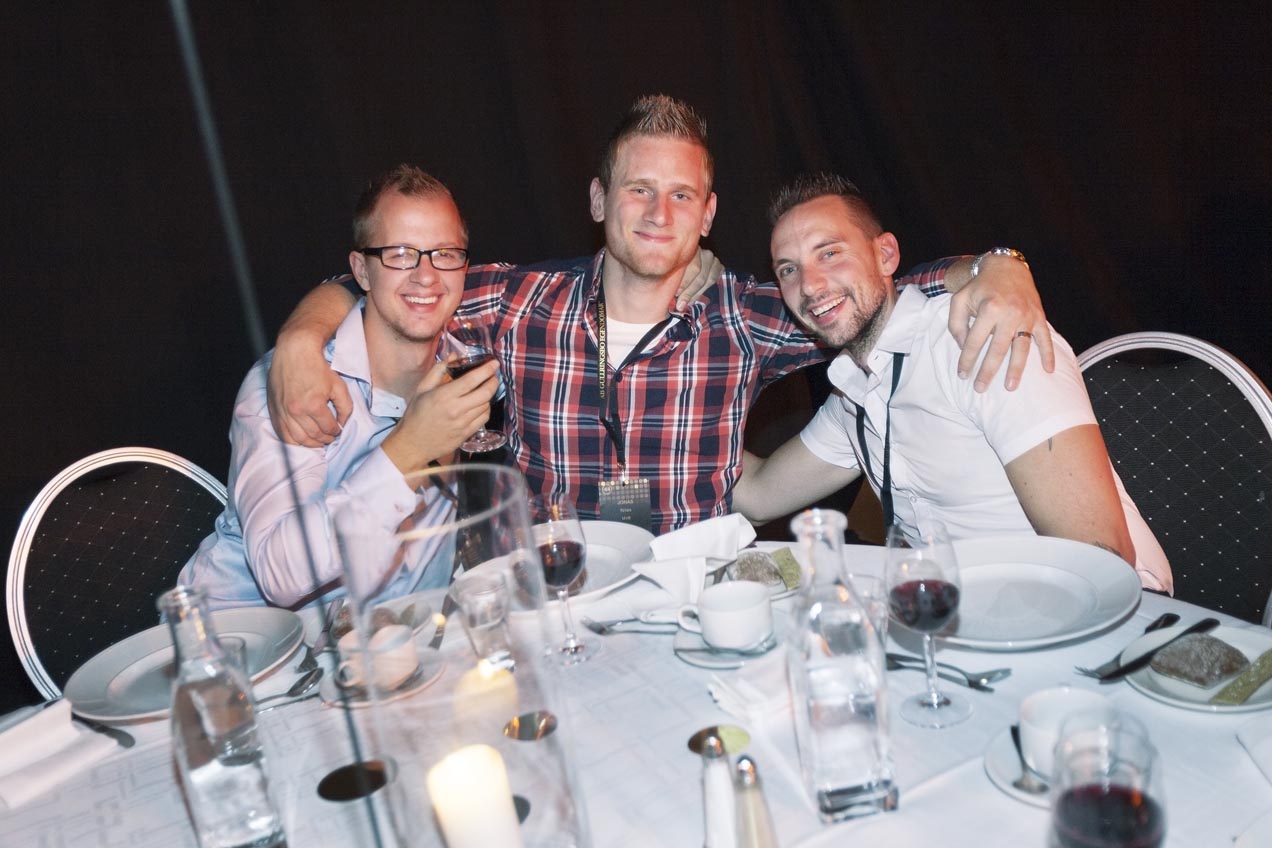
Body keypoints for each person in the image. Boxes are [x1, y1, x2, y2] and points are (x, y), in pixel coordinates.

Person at [267, 95, 1053, 536]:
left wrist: (996, 265)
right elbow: (386, 280)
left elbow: (880, 291)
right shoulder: (519, 302)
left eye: (681, 195)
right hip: (564, 594)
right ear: (599, 199)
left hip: (700, 604)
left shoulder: (747, 316)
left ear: (707, 214)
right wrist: (301, 336)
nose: (657, 212)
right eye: (638, 189)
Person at [732, 173, 1171, 591]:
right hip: (958, 610)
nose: (810, 285)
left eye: (829, 253)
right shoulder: (854, 393)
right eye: (788, 270)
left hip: (1107, 612)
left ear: (885, 255)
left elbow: (1100, 557)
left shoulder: (983, 339)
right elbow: (758, 495)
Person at [179, 165, 501, 611]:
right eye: (400, 254)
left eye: (444, 253)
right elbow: (279, 574)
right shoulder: (294, 384)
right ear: (361, 272)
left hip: (395, 637)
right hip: (250, 639)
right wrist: (408, 450)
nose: (426, 276)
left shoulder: (469, 368)